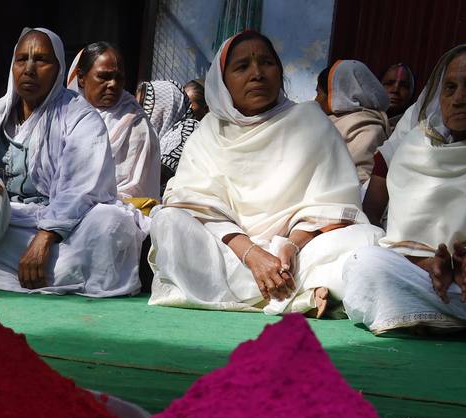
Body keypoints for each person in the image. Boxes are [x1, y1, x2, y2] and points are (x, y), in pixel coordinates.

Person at [147, 30, 381, 316]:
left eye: (266, 63)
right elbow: (193, 202)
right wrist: (252, 254)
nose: (257, 73)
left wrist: (290, 247)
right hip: (229, 252)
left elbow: (333, 206)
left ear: (280, 72)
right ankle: (300, 294)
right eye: (242, 67)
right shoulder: (209, 131)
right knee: (168, 221)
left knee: (367, 239)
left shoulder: (310, 121)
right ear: (223, 83)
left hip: (294, 253)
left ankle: (286, 288)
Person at [0, 27, 143, 296]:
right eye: (21, 60)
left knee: (109, 220)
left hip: (57, 227)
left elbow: (81, 189)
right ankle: (42, 274)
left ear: (59, 69)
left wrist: (45, 237)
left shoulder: (80, 117)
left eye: (41, 60)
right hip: (3, 222)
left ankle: (4, 270)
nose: (29, 69)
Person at [343, 43, 466, 338]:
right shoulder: (416, 148)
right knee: (364, 264)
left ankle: (428, 318)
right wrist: (427, 262)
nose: (458, 99)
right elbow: (398, 241)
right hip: (427, 277)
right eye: (450, 87)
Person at [67, 42, 160, 204]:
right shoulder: (64, 114)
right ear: (81, 78)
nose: (113, 84)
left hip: (111, 207)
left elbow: (134, 189)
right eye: (104, 77)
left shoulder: (135, 123)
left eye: (119, 78)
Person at [317, 60, 391, 183]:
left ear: (338, 94)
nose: (316, 99)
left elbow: (362, 181)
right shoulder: (327, 121)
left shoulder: (368, 130)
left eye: (318, 93)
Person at [137, 79, 198, 188]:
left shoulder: (188, 130)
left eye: (143, 105)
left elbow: (152, 180)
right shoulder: (154, 138)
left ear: (163, 108)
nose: (137, 113)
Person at [380, 62, 416, 127]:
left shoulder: (415, 127)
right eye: (389, 83)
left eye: (404, 86)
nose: (395, 90)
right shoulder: (363, 117)